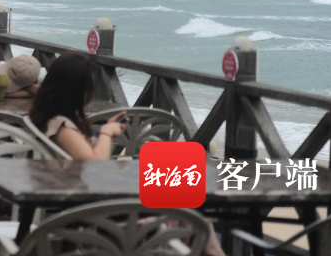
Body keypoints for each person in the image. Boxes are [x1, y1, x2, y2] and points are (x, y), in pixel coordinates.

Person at [30, 54, 225, 255]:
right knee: (185, 188)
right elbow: (96, 164)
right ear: (74, 90)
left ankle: (211, 248)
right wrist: (107, 133)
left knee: (184, 179)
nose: (89, 94)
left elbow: (90, 158)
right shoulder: (61, 125)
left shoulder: (51, 117)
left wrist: (106, 133)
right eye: (88, 87)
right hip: (96, 203)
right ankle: (211, 249)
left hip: (95, 191)